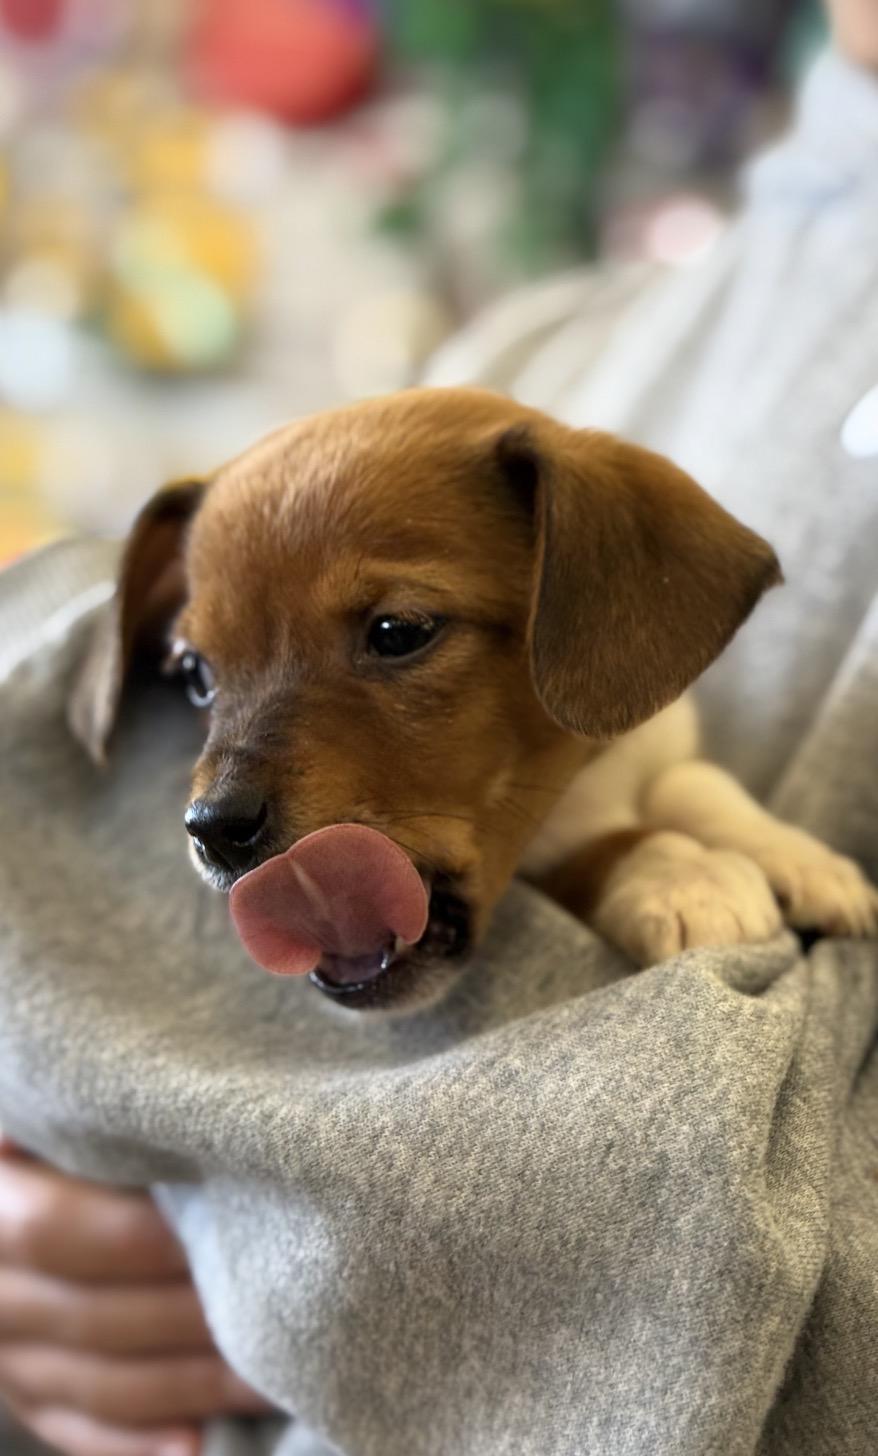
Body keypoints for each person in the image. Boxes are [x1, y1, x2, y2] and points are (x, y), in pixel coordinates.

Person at [1, 4, 876, 1455]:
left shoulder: (562, 472)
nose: (210, 794)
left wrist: (317, 1215)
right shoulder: (544, 338)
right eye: (200, 681)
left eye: (393, 634)